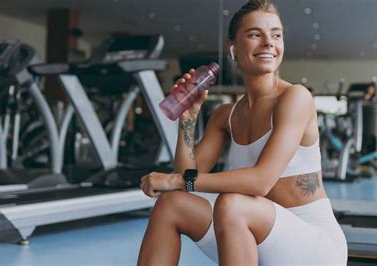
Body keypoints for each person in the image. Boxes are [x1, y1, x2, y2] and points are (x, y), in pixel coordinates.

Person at [138, 0, 348, 265]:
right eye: (255, 34)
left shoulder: (295, 97)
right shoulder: (225, 115)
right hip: (249, 235)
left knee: (232, 204)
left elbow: (260, 182)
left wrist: (176, 181)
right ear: (233, 47)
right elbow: (187, 176)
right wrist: (187, 119)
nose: (269, 42)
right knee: (171, 205)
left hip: (312, 246)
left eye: (276, 35)